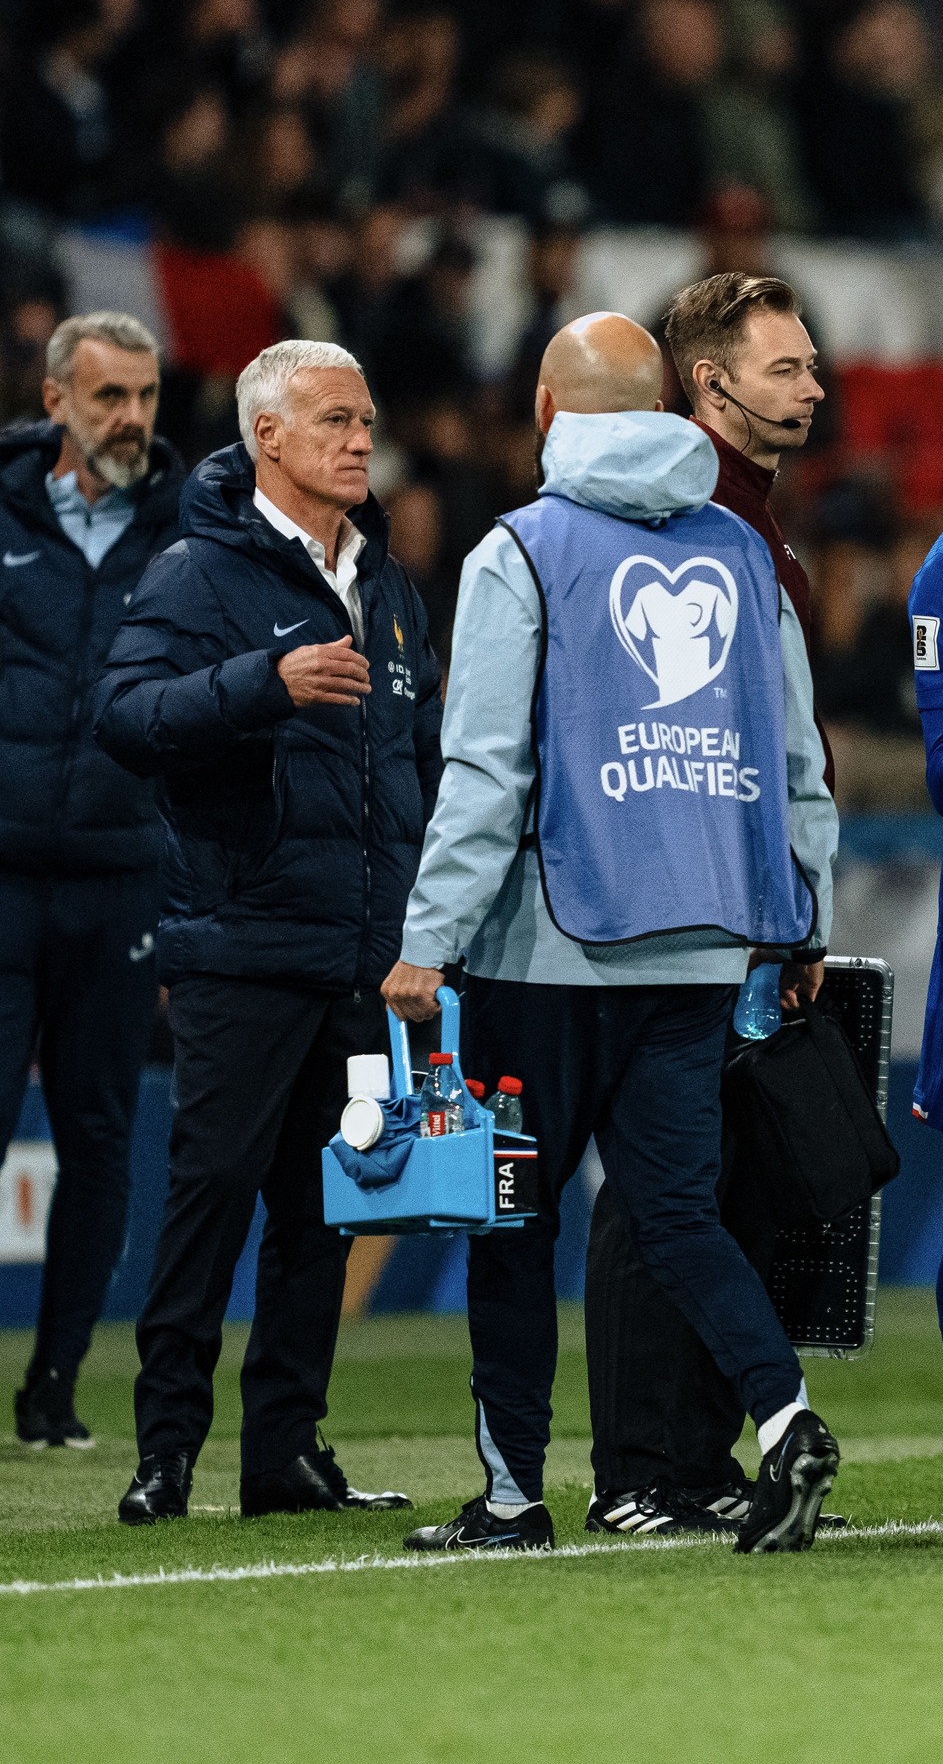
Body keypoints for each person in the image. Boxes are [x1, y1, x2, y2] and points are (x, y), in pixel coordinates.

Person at [381, 310, 841, 1557]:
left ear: (546, 409)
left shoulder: (520, 551)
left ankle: (512, 1498)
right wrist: (804, 920)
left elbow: (486, 771)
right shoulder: (745, 553)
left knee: (513, 1223)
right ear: (668, 409)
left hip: (546, 952)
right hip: (701, 949)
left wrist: (429, 936)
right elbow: (798, 766)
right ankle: (789, 1417)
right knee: (681, 1217)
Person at [94, 339, 442, 1526]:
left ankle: (284, 1452)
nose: (361, 437)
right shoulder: (197, 572)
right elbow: (124, 715)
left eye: (366, 417)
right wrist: (262, 683)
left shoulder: (390, 587)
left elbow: (420, 766)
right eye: (334, 418)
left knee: (321, 1214)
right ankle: (165, 1452)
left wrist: (422, 925)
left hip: (360, 956)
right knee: (209, 1202)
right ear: (267, 436)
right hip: (242, 942)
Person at [581, 271, 835, 1538]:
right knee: (660, 1187)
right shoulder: (684, 520)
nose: (815, 387)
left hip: (744, 908)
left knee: (719, 1184)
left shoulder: (754, 522)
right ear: (710, 383)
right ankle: (638, 1465)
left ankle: (692, 1456)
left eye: (810, 364)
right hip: (681, 907)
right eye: (786, 367)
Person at [0, 313, 180, 1449]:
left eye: (147, 397)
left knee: (101, 1137)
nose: (132, 420)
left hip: (120, 876)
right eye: (111, 397)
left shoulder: (186, 529)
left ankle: (54, 1386)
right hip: (3, 872)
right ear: (56, 399)